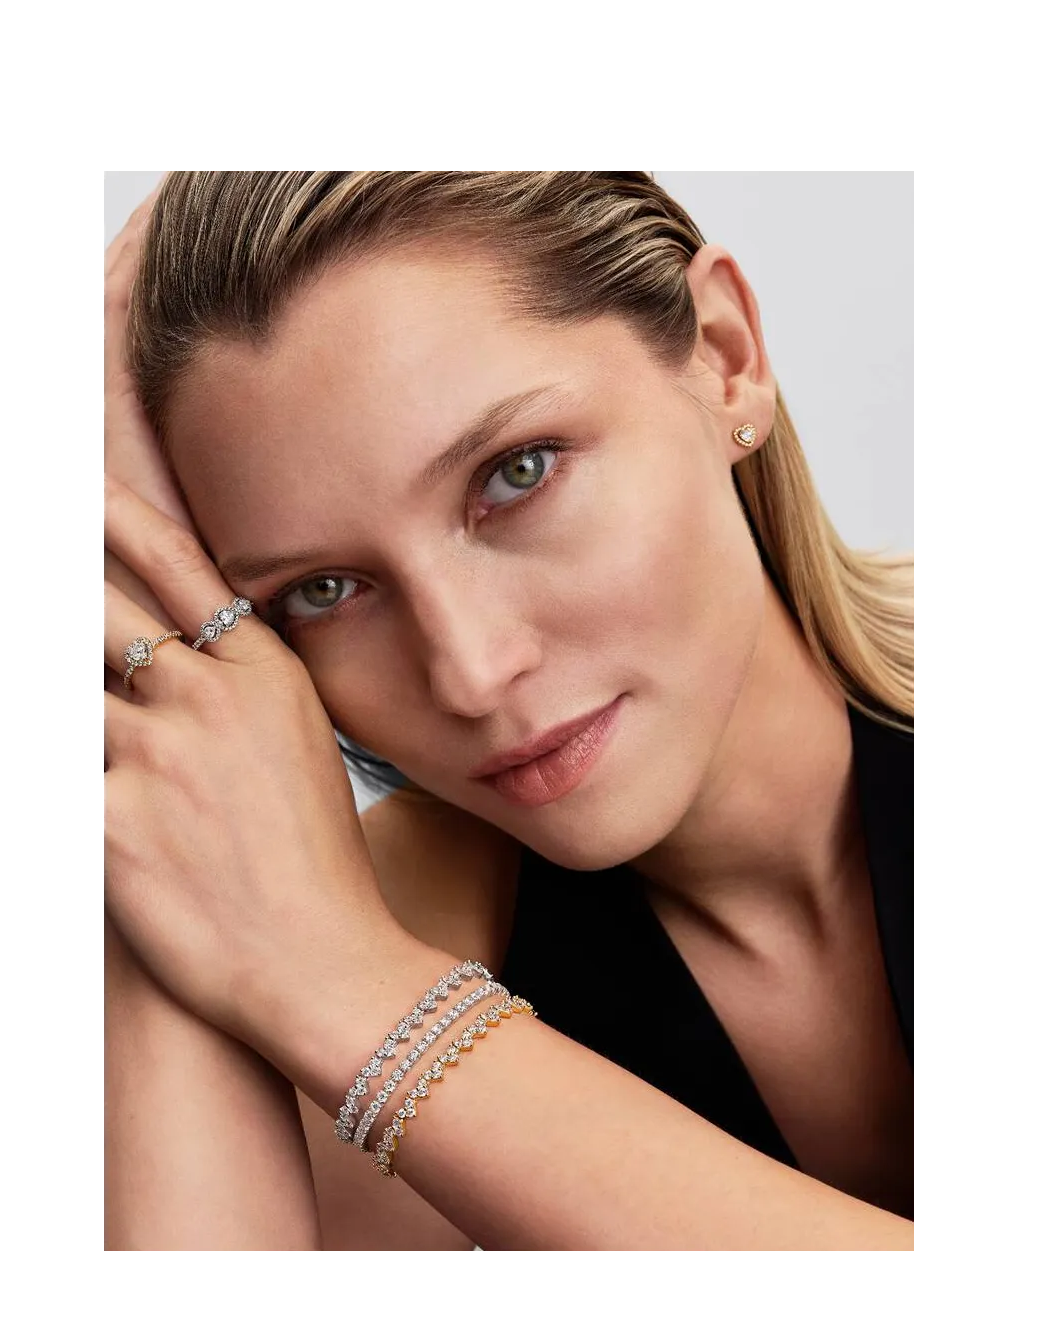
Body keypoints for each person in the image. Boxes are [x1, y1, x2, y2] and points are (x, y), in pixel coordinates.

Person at [103, 168, 917, 1254]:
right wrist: (135, 639)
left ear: (724, 358)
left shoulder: (330, 962)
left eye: (516, 474)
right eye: (325, 590)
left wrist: (357, 996)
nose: (470, 674)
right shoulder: (343, 929)